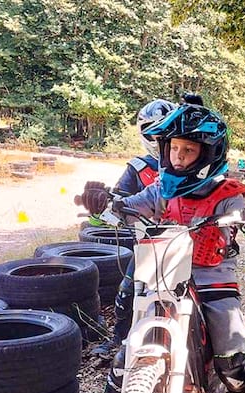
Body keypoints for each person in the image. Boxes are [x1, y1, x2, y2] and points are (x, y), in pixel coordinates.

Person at [59, 104, 245, 393]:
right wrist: (103, 203)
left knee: (232, 355)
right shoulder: (160, 190)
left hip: (212, 274)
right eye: (174, 149)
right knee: (129, 348)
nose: (179, 158)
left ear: (209, 154)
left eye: (189, 150)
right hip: (163, 269)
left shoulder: (229, 192)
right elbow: (125, 208)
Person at [91, 96, 206, 360]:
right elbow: (118, 199)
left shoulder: (196, 164)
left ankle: (205, 351)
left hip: (191, 242)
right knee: (129, 290)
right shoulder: (138, 167)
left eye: (164, 130)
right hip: (149, 244)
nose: (157, 137)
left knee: (203, 295)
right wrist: (103, 205)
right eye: (151, 131)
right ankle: (120, 339)